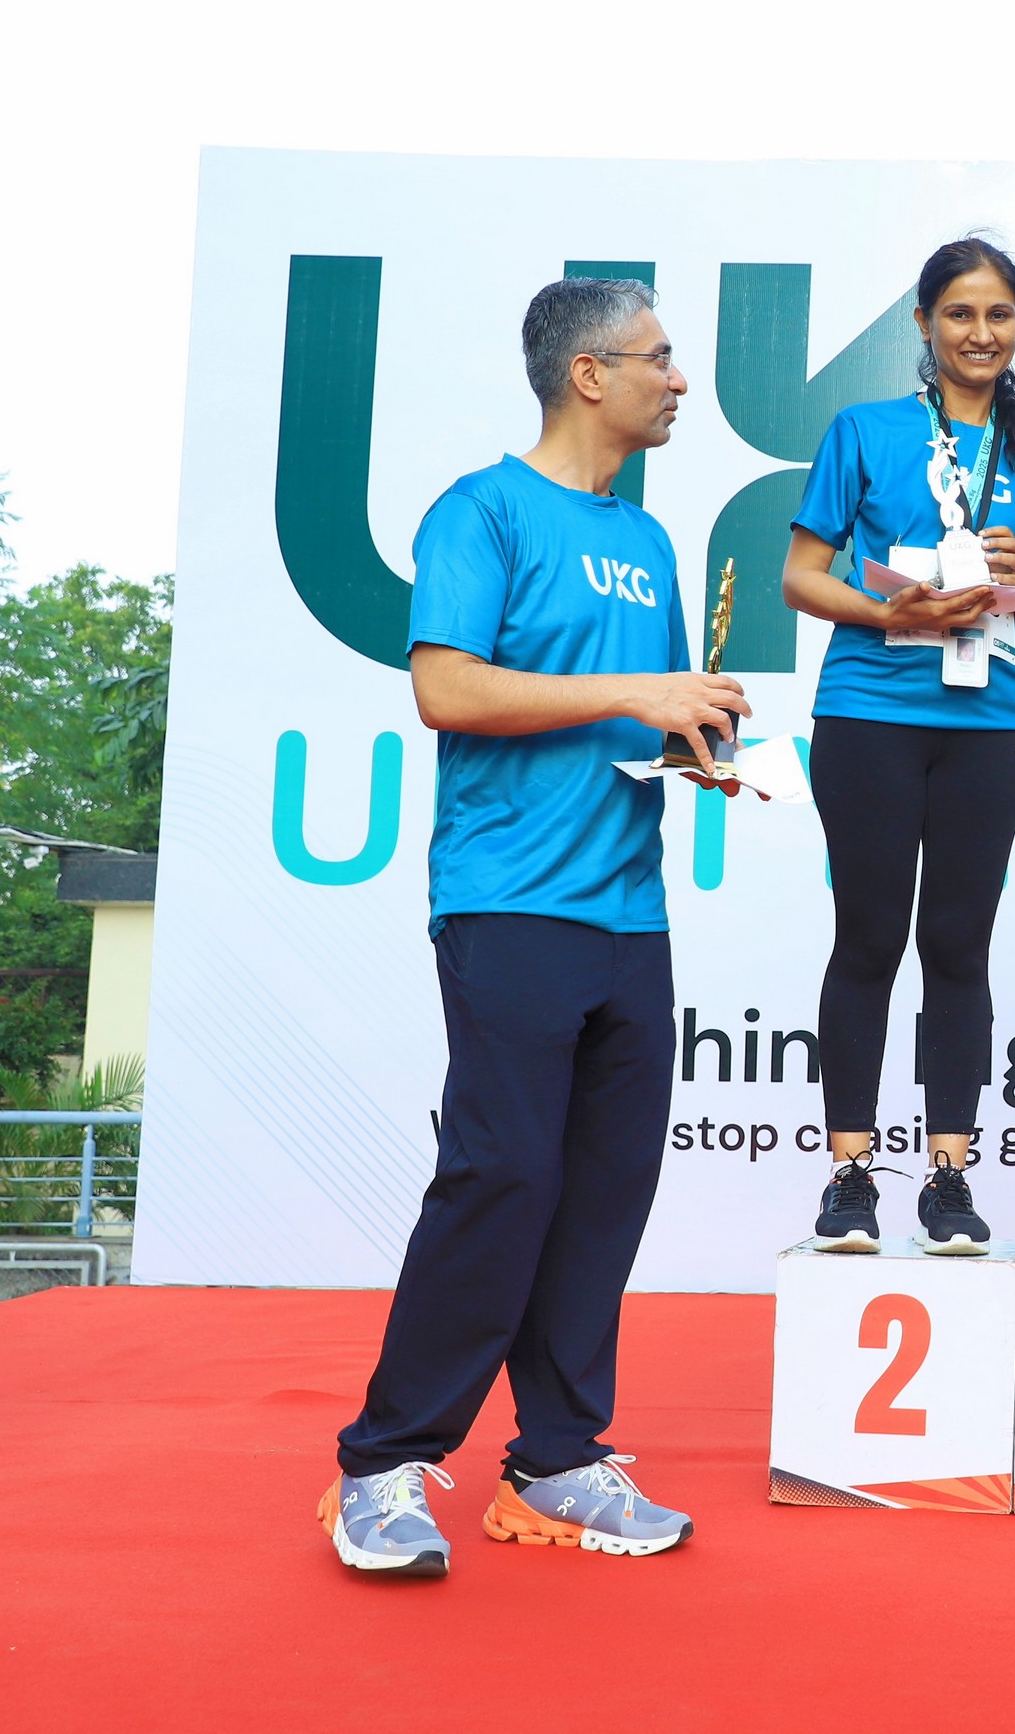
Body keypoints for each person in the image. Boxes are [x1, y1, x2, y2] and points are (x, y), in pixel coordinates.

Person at [325, 276, 746, 1579]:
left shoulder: (651, 541)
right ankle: (383, 1465)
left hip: (630, 907)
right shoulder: (483, 510)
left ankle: (558, 1459)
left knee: (606, 1188)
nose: (679, 380)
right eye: (659, 358)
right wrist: (637, 690)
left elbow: (640, 713)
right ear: (588, 374)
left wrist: (696, 738)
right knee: (502, 1175)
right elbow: (447, 689)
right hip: (508, 898)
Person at [786, 238, 1015, 1253]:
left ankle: (949, 1177)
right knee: (868, 937)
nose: (980, 333)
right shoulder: (864, 430)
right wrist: (889, 613)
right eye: (960, 314)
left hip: (990, 722)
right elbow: (800, 576)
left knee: (957, 945)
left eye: (998, 315)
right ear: (924, 322)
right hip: (870, 714)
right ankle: (849, 1173)